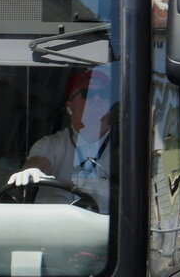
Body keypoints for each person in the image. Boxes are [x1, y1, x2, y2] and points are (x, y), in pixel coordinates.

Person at [7, 68, 115, 212]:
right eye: (88, 94)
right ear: (70, 107)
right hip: (53, 225)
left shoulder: (124, 149)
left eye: (103, 94)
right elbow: (39, 161)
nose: (96, 98)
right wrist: (32, 170)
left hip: (105, 226)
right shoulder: (52, 144)